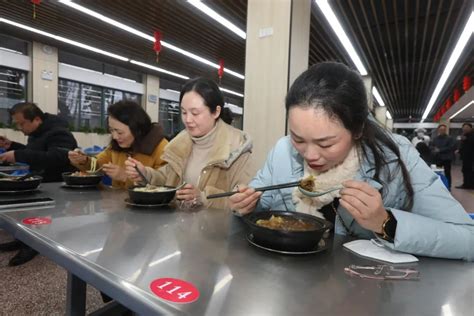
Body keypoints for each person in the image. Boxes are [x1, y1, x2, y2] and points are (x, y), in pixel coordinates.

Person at [229, 62, 473, 261]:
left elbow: (466, 238)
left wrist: (384, 222)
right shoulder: (283, 151)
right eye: (298, 138)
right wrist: (246, 205)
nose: (310, 154)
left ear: (357, 130)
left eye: (325, 143)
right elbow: (262, 207)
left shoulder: (395, 157)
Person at [125, 77, 255, 210]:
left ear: (216, 112)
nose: (187, 119)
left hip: (217, 229)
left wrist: (204, 199)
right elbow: (167, 180)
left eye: (195, 113)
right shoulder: (181, 144)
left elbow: (244, 201)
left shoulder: (236, 149)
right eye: (183, 112)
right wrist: (145, 174)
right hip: (180, 227)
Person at [0, 102, 78, 266]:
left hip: (57, 185)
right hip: (41, 181)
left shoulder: (60, 133)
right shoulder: (36, 133)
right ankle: (22, 239)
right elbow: (38, 151)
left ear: (36, 119)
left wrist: (18, 154)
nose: (19, 128)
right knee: (27, 213)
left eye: (22, 123)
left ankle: (33, 246)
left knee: (41, 218)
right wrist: (12, 146)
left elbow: (57, 157)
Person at [68, 101, 168, 189]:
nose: (115, 136)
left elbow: (166, 185)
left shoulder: (162, 148)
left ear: (137, 129)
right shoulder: (115, 147)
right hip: (118, 205)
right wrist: (84, 161)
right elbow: (98, 165)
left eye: (119, 132)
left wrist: (125, 177)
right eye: (111, 130)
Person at [431, 124, 456, 189]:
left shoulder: (450, 138)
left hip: (446, 158)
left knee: (447, 173)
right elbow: (432, 146)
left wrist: (440, 150)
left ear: (445, 130)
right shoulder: (435, 139)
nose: (442, 131)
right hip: (438, 158)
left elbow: (451, 147)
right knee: (438, 172)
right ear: (438, 130)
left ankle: (448, 186)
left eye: (444, 130)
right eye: (441, 129)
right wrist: (433, 149)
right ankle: (438, 186)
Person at [457, 123, 474, 189]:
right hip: (465, 157)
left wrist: (466, 139)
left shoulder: (472, 136)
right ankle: (466, 184)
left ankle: (471, 185)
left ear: (471, 128)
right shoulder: (464, 135)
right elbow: (464, 146)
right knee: (465, 170)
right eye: (464, 127)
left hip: (471, 158)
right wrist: (459, 150)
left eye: (467, 127)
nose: (465, 129)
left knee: (471, 171)